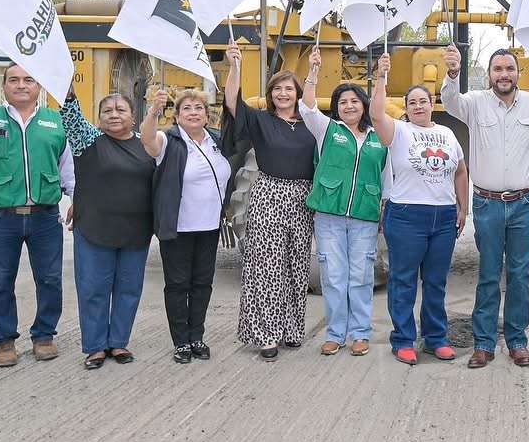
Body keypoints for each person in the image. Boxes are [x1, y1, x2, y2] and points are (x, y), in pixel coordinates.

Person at [0, 63, 75, 368]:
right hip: (1, 218)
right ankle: (4, 340)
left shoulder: (55, 121)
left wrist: (77, 198)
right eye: (14, 80)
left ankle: (44, 335)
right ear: (4, 85)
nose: (21, 85)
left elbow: (67, 168)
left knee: (50, 279)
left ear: (39, 86)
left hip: (45, 217)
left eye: (28, 79)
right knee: (0, 280)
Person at [441, 45, 529, 369]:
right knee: (489, 274)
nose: (504, 74)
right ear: (489, 74)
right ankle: (484, 343)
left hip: (525, 203)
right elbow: (450, 101)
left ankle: (517, 341)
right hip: (487, 204)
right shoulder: (474, 103)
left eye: (509, 69)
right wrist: (453, 72)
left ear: (518, 72)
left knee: (519, 275)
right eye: (498, 69)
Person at [371, 53, 468, 365]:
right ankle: (403, 340)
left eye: (422, 101)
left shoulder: (448, 134)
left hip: (443, 217)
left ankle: (436, 338)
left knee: (436, 282)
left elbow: (460, 172)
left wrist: (463, 208)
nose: (418, 106)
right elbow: (376, 116)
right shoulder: (398, 131)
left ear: (431, 103)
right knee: (404, 281)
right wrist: (381, 77)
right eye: (411, 102)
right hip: (406, 216)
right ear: (406, 107)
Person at [221, 45, 318, 360]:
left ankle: (291, 330)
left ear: (297, 93)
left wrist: (313, 70)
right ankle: (266, 335)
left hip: (302, 198)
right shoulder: (261, 120)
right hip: (269, 195)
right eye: (277, 89)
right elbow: (232, 102)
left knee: (296, 266)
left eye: (288, 89)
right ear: (270, 94)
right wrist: (234, 67)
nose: (282, 94)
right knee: (267, 267)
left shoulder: (311, 124)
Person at [301, 45, 390, 357]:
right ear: (336, 108)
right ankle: (336, 333)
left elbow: (387, 177)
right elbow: (308, 108)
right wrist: (313, 72)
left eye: (354, 101)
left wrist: (382, 76)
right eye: (342, 102)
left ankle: (360, 334)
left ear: (364, 105)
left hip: (365, 216)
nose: (349, 106)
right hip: (329, 217)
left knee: (361, 276)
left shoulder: (380, 138)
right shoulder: (327, 130)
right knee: (334, 277)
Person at [61, 89, 155, 369]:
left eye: (120, 110)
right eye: (107, 111)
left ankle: (119, 342)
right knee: (93, 288)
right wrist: (68, 93)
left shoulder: (147, 144)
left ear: (133, 116)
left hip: (136, 230)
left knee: (129, 288)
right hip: (94, 227)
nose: (114, 115)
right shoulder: (88, 140)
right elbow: (71, 117)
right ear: (99, 117)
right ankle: (95, 346)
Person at [142, 85, 231, 364]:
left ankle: (197, 337)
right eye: (187, 108)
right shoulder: (169, 141)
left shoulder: (216, 140)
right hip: (178, 227)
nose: (193, 113)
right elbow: (147, 139)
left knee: (203, 284)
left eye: (199, 108)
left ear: (207, 114)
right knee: (178, 285)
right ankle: (181, 341)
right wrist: (154, 111)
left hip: (209, 226)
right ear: (177, 115)